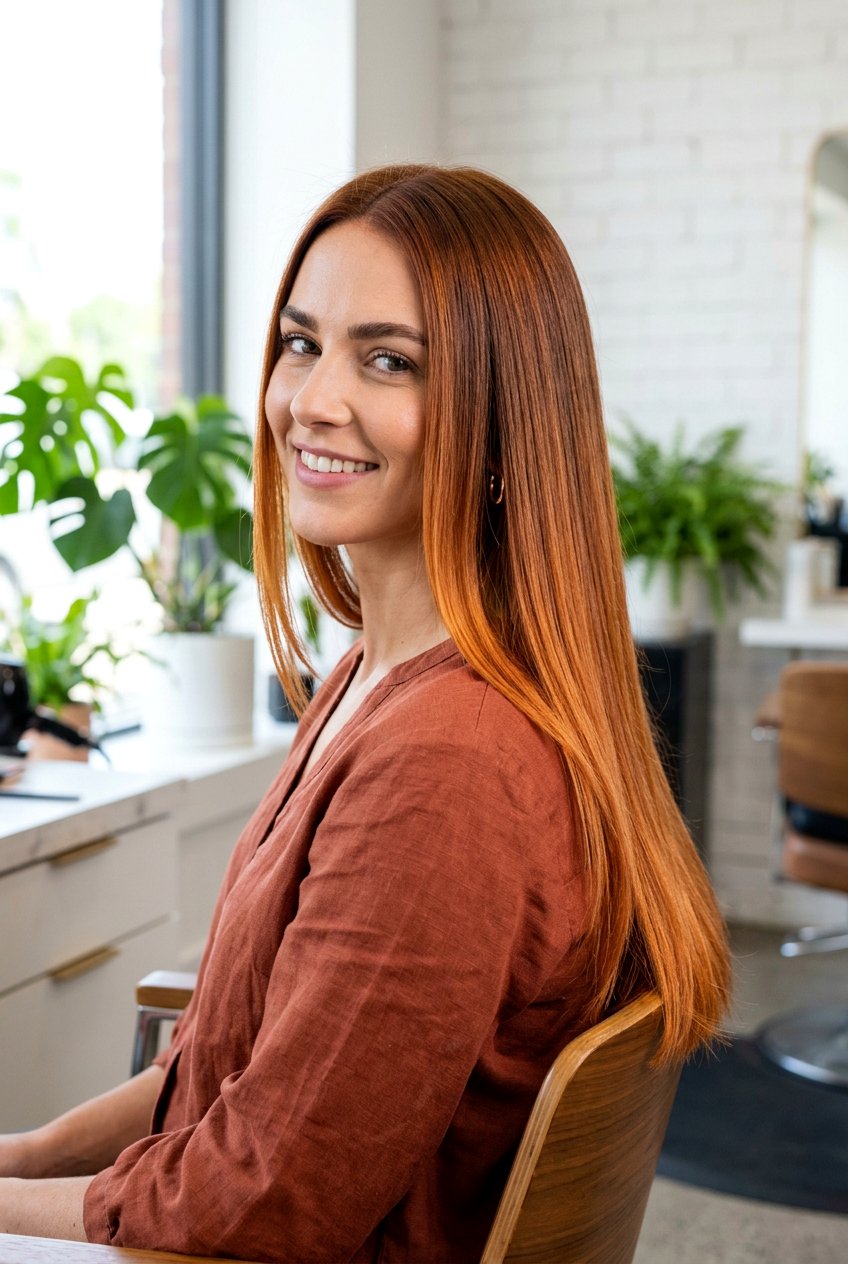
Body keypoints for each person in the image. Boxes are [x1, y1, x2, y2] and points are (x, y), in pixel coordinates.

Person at [0, 164, 730, 1262]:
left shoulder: (447, 761)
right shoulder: (372, 682)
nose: (310, 399)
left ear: (502, 423)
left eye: (386, 360)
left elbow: (263, 1200)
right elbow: (226, 1069)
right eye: (301, 343)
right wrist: (28, 1157)